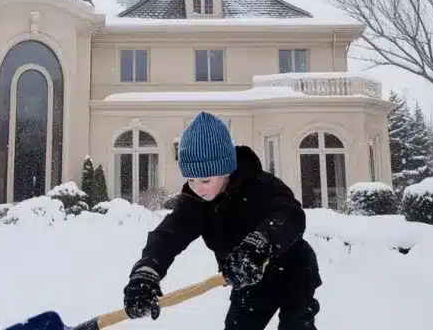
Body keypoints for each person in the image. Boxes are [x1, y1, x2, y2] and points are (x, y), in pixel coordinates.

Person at [122, 112, 322, 330]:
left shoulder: (261, 185)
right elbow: (169, 234)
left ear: (226, 169)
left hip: (293, 271)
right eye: (190, 179)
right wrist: (146, 272)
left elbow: (290, 215)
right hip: (247, 279)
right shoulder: (195, 201)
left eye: (205, 179)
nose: (198, 187)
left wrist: (260, 243)